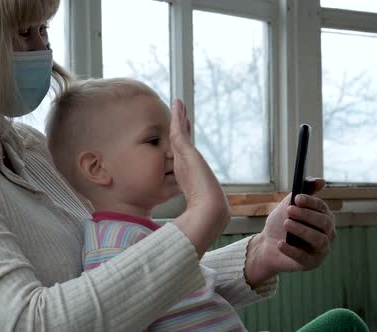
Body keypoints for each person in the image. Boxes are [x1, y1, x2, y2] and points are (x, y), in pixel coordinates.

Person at [0, 1, 338, 331]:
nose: (44, 50)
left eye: (43, 28)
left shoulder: (24, 147)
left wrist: (258, 256)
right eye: (22, 32)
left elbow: (121, 280)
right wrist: (197, 221)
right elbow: (24, 326)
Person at [46, 77, 248, 331]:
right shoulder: (112, 244)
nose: (174, 152)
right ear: (97, 168)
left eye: (173, 139)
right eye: (154, 141)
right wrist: (203, 198)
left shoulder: (141, 234)